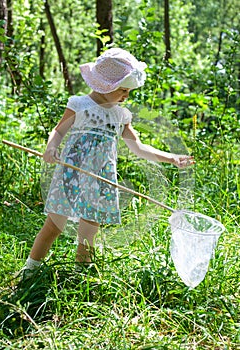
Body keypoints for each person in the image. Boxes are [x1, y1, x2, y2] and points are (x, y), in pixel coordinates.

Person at [24, 48, 194, 274]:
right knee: (53, 227)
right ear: (106, 84)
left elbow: (138, 147)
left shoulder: (120, 115)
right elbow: (58, 131)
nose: (126, 96)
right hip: (70, 176)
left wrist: (171, 158)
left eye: (128, 91)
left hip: (99, 181)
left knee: (88, 234)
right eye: (123, 90)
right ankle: (30, 269)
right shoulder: (79, 104)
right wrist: (51, 147)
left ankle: (80, 277)